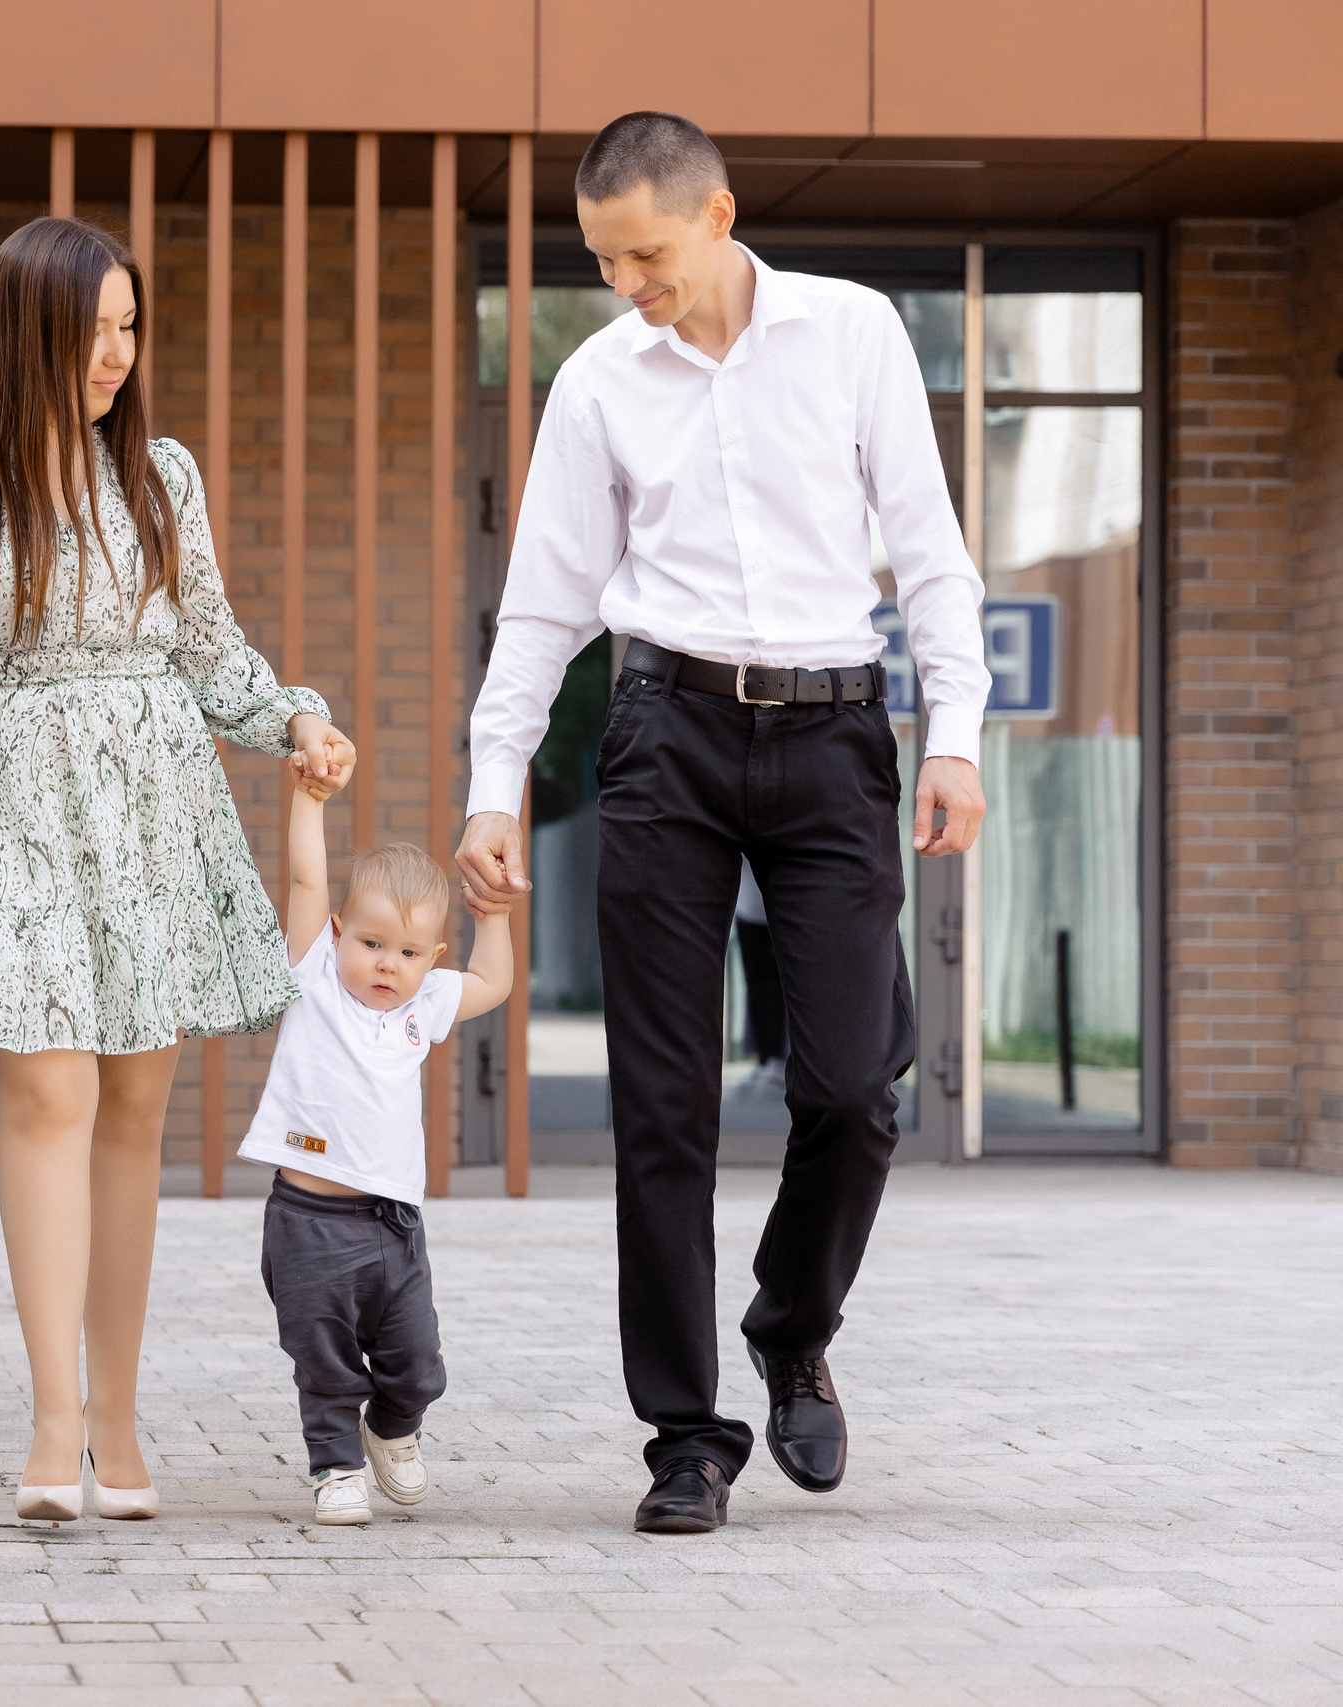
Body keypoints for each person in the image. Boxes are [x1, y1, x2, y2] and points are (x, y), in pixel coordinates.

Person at [0, 217, 356, 1523]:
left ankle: (120, 1415)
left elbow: (211, 652)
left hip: (153, 800)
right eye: (94, 330)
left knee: (134, 1115)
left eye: (131, 327)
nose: (115, 353)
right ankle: (51, 1418)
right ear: (22, 330)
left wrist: (294, 717)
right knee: (45, 1094)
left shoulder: (160, 476)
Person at [455, 113, 989, 1535]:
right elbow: (548, 599)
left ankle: (791, 1321)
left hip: (828, 735)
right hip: (665, 734)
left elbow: (930, 552)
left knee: (856, 1083)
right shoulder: (596, 381)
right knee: (665, 1108)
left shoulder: (853, 334)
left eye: (646, 253)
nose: (626, 281)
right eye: (604, 258)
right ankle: (685, 1433)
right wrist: (490, 784)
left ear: (719, 215)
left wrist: (955, 738)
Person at [239, 773, 512, 1527]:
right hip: (308, 1224)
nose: (387, 964)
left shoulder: (423, 1003)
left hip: (394, 1226)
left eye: (408, 951)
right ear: (336, 933)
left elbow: (493, 978)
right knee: (323, 1359)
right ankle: (334, 1467)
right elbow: (302, 876)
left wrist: (493, 913)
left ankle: (391, 1428)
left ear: (431, 957)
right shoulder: (315, 977)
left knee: (418, 1364)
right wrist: (309, 801)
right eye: (370, 944)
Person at [733, 859, 786, 1093]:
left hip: (790, 905)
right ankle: (768, 1058)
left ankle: (784, 1058)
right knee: (758, 986)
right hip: (749, 907)